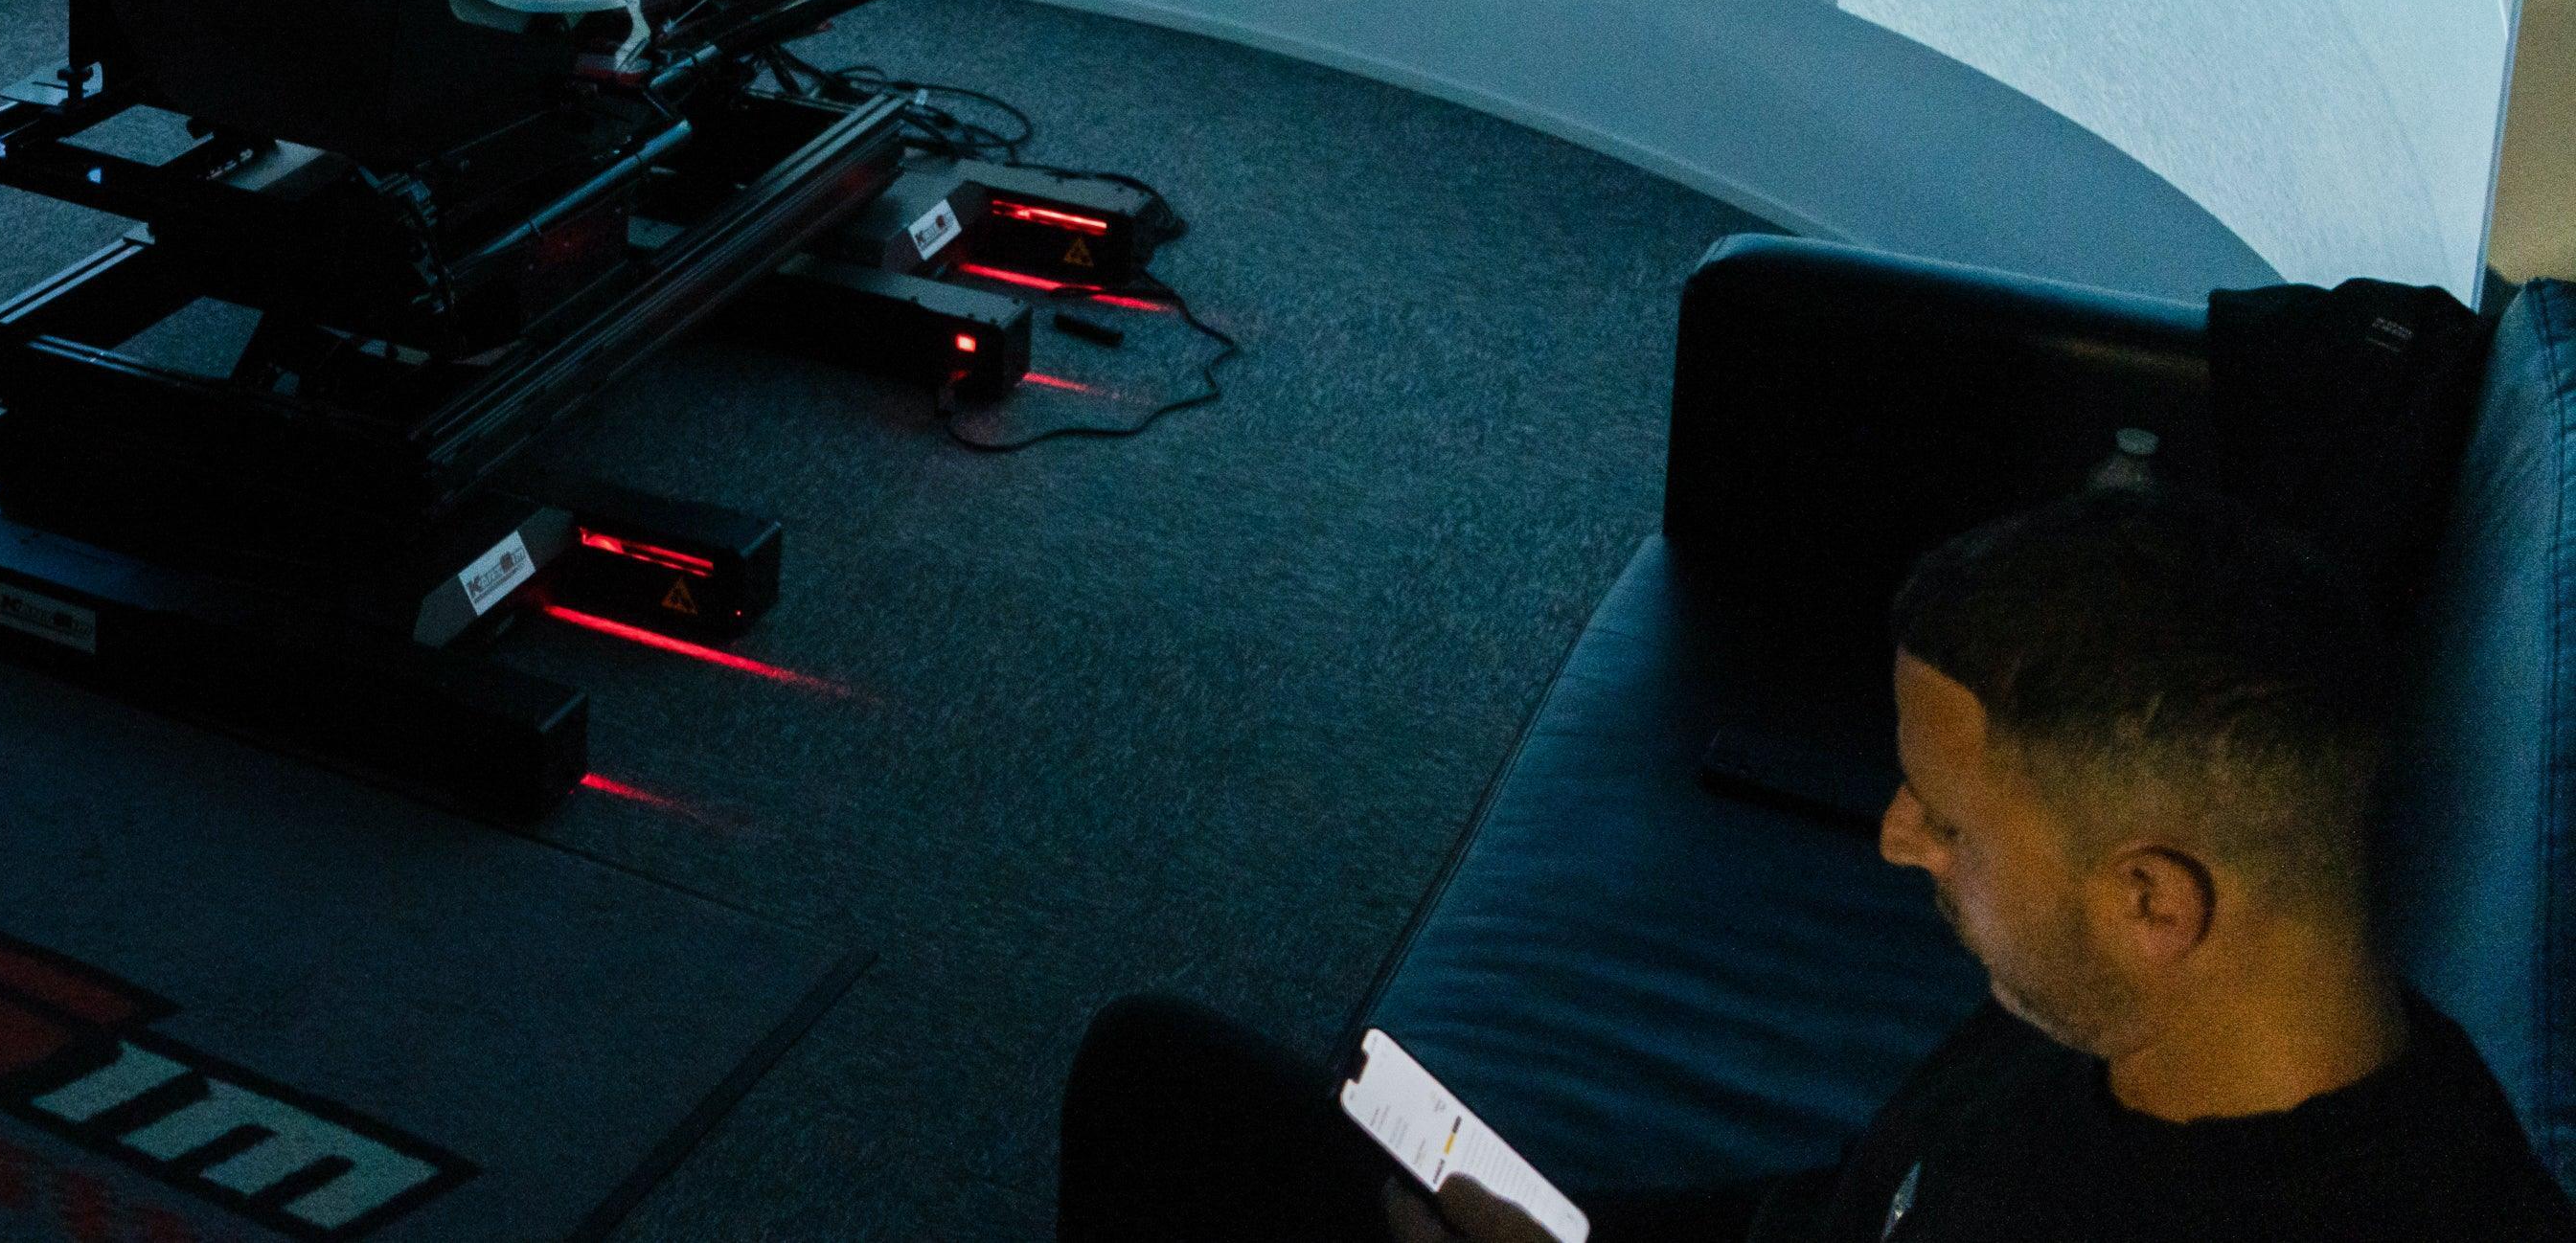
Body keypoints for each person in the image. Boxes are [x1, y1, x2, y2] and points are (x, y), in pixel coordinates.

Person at [1055, 485, 2576, 1243]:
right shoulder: (2107, 1019)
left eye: (1945, 816)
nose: (1896, 836)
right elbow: (1856, 1201)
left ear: (2153, 897)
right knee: (1164, 1080)